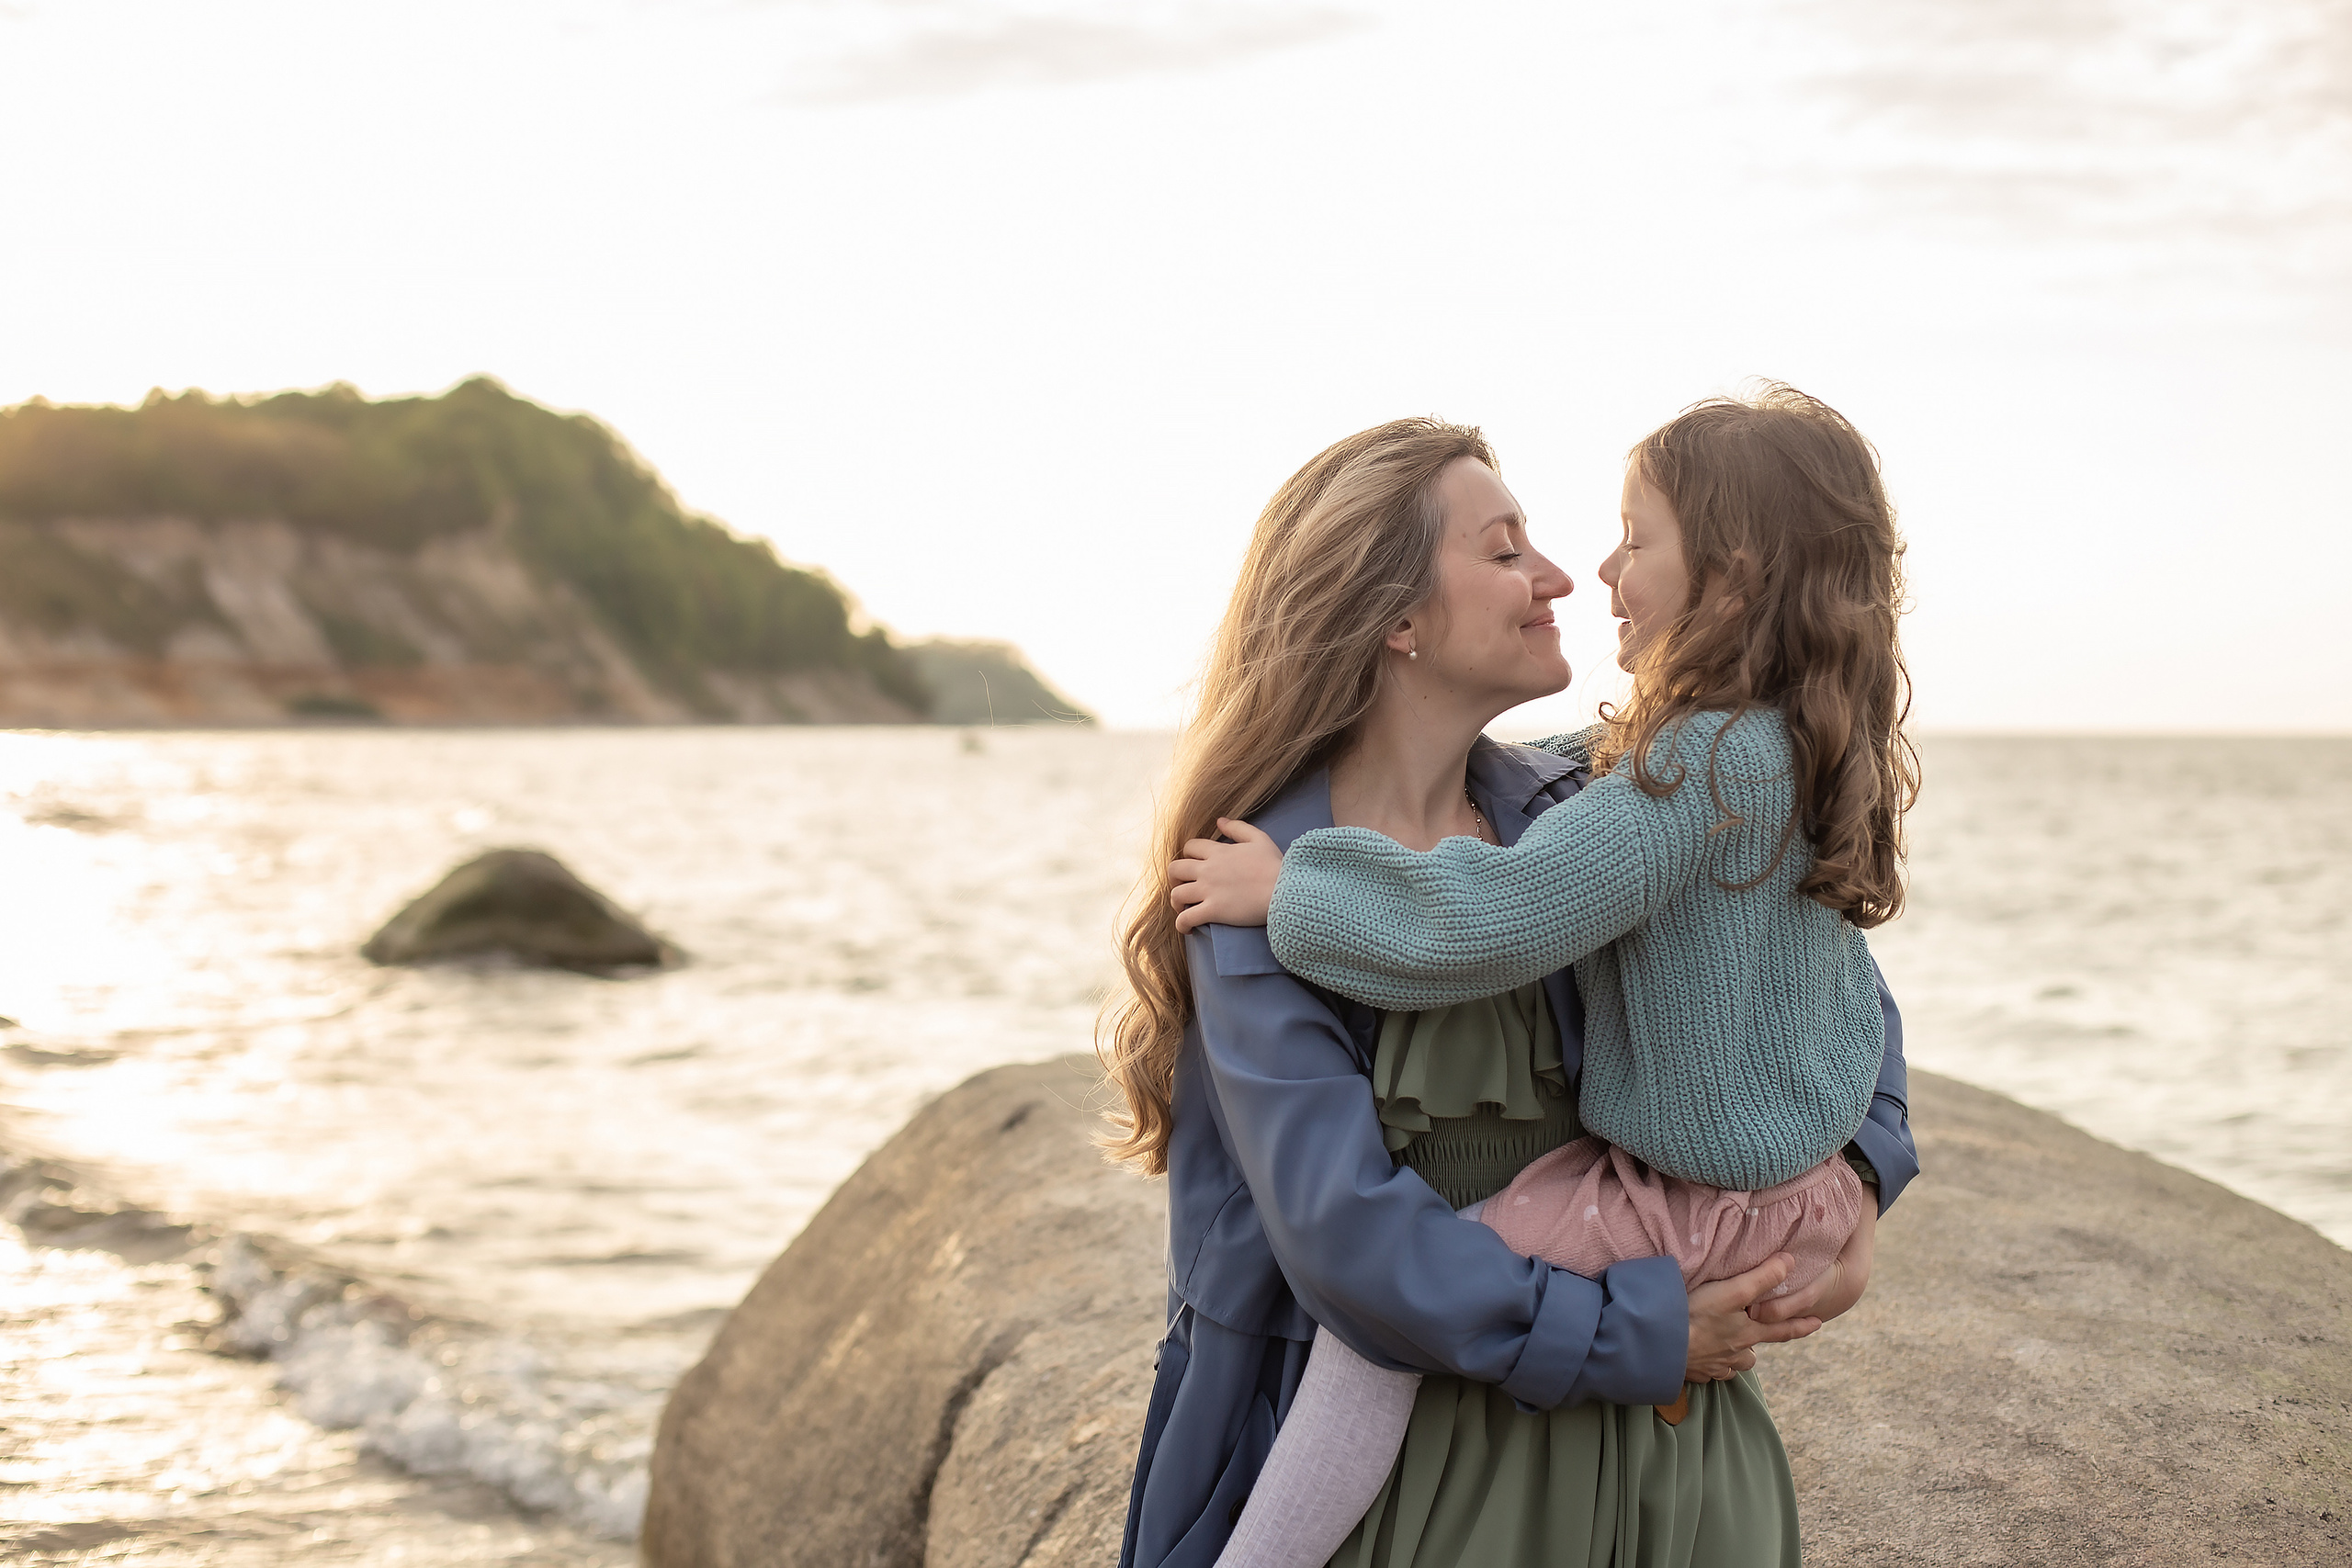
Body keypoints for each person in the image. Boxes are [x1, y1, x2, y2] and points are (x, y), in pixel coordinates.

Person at [1102, 411, 1917, 1568]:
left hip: (1681, 1473)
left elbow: (1828, 984)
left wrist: (1862, 1182)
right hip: (1435, 1491)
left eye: (1593, 541)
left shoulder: (1587, 804)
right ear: (1391, 616)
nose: (1560, 577)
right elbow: (1351, 1245)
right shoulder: (1249, 881)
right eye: (1502, 552)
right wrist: (1644, 1327)